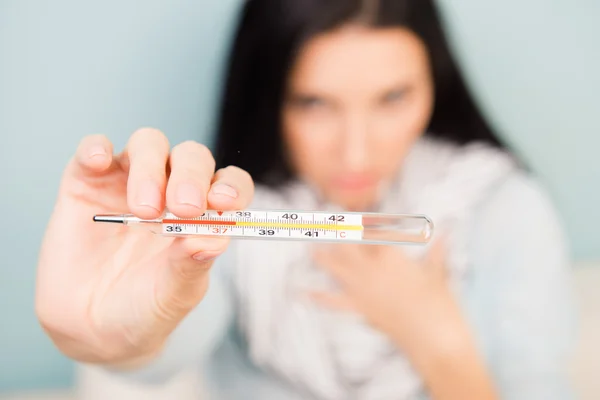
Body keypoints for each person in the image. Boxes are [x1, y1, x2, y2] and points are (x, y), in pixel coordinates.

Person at [35, 0, 576, 399]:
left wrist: (438, 341)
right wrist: (111, 335)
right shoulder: (224, 221)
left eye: (393, 97)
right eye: (314, 103)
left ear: (436, 83)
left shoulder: (502, 206)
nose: (357, 150)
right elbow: (153, 354)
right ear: (268, 95)